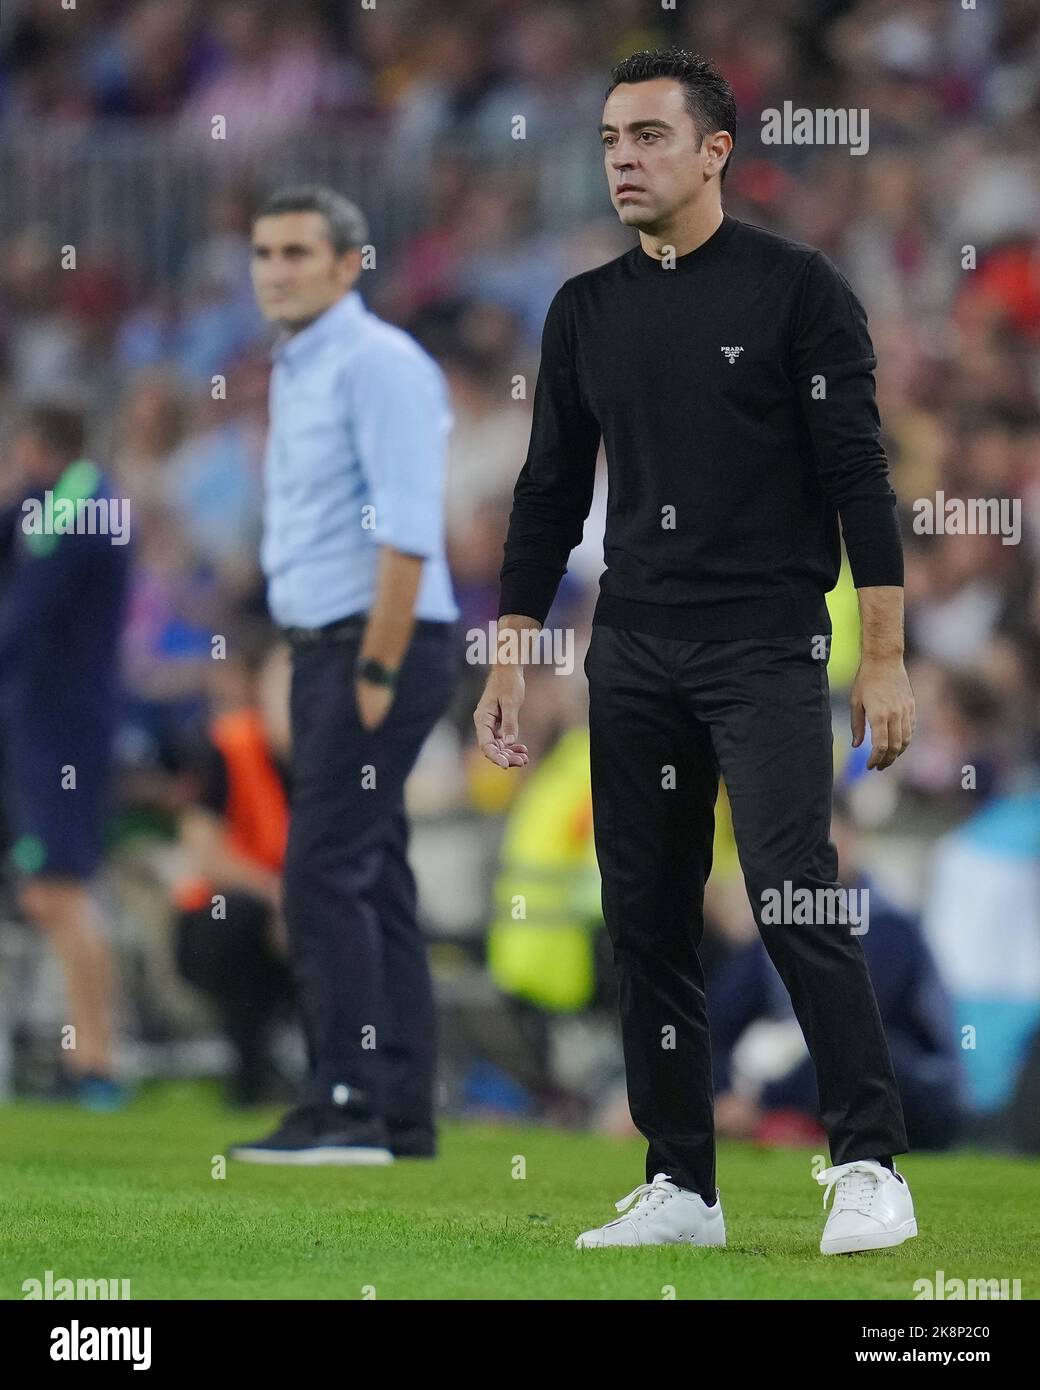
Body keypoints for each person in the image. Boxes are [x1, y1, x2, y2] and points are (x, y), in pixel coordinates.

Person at [474, 48, 919, 1254]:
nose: (621, 157)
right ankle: (681, 1185)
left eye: (647, 137)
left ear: (714, 151)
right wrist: (509, 657)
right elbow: (546, 495)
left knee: (787, 889)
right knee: (645, 918)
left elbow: (859, 484)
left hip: (768, 644)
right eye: (610, 138)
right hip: (633, 645)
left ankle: (870, 1162)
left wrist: (880, 657)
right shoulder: (583, 310)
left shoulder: (797, 290)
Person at [231, 185, 459, 1163]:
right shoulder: (302, 365)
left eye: (295, 252)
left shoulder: (377, 363)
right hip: (331, 640)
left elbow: (407, 520)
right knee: (374, 875)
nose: (274, 269)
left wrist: (374, 657)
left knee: (321, 870)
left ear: (347, 264)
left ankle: (344, 1103)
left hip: (376, 641)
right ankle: (397, 1110)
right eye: (264, 252)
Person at [0, 403, 132, 1108]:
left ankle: (98, 1059)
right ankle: (83, 1052)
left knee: (63, 889)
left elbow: (25, 614)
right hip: (39, 724)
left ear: (33, 445)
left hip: (63, 729)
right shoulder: (59, 500)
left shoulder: (79, 504)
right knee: (46, 891)